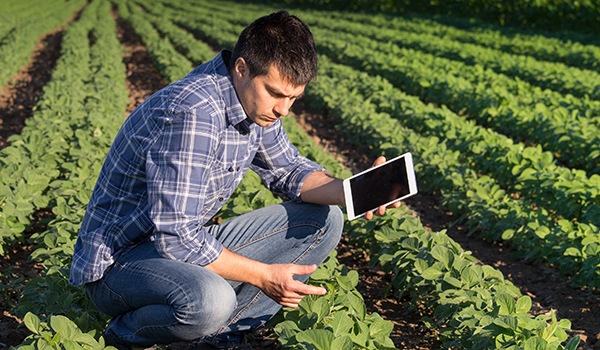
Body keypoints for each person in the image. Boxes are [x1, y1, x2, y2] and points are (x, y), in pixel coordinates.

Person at [68, 10, 398, 350]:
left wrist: (354, 190)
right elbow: (177, 238)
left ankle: (217, 338)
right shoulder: (195, 112)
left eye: (293, 98)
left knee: (324, 219)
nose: (284, 109)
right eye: (275, 93)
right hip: (120, 265)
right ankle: (123, 335)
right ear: (241, 68)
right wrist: (264, 276)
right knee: (210, 300)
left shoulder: (254, 103)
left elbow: (288, 170)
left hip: (172, 247)